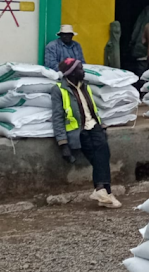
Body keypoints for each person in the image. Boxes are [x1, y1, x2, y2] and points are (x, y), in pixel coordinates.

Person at [51, 58, 121, 208]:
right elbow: (57, 118)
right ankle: (105, 192)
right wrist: (62, 143)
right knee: (97, 157)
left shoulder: (85, 86)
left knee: (103, 153)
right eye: (80, 69)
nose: (83, 71)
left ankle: (102, 191)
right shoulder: (59, 90)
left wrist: (101, 124)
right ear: (72, 73)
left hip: (94, 126)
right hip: (78, 131)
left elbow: (93, 108)